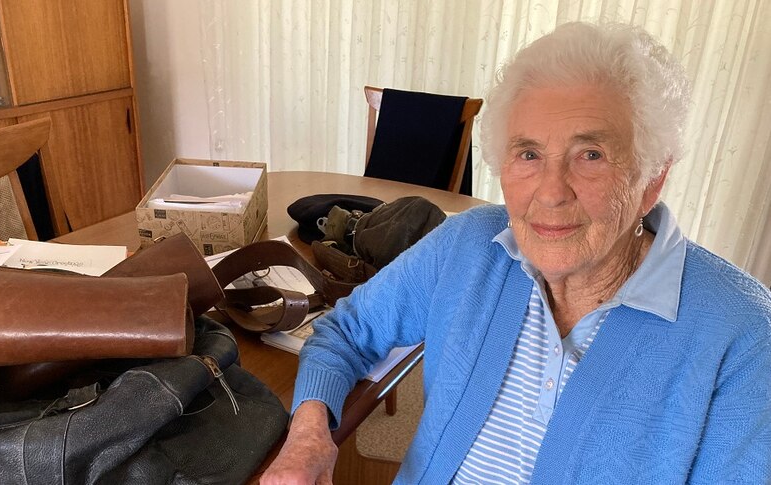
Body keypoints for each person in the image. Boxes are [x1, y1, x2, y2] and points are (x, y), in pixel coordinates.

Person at [261, 22, 771, 484]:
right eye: (528, 154)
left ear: (651, 178)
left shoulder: (743, 335)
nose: (550, 193)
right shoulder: (471, 245)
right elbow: (345, 331)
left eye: (590, 155)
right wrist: (307, 439)